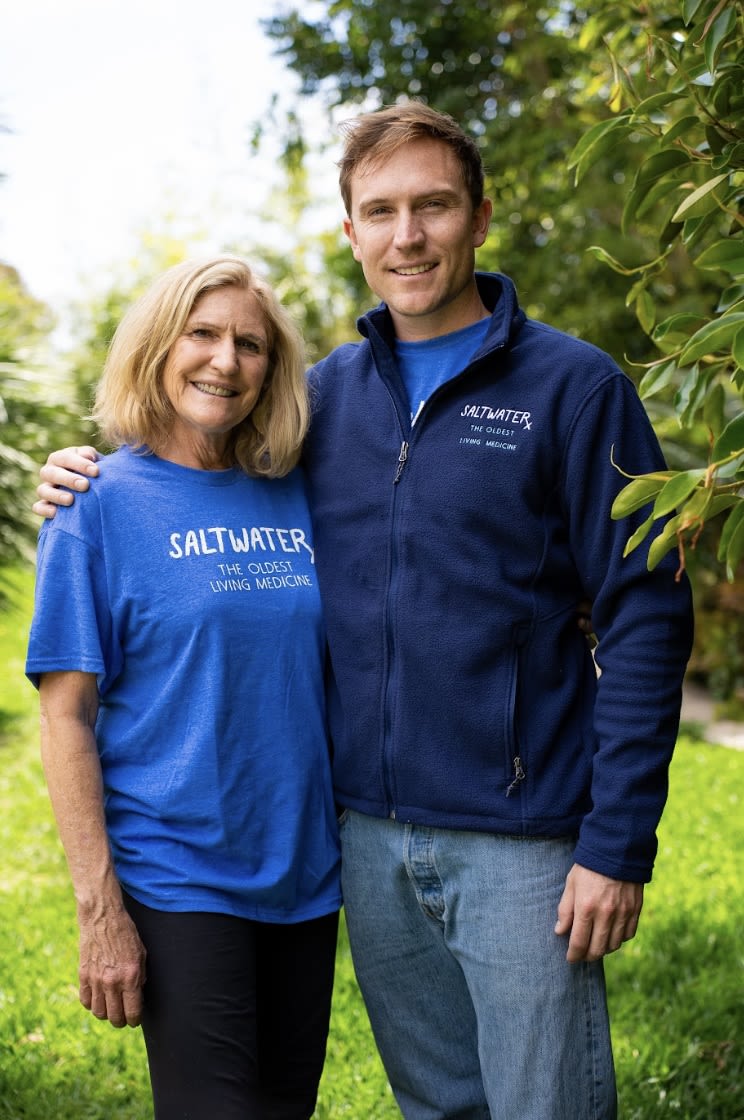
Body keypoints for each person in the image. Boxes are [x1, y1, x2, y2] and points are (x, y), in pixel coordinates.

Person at [35, 103, 694, 1120]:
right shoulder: (323, 403)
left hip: (521, 838)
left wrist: (618, 842)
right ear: (350, 232)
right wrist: (78, 470)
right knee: (436, 1106)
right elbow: (183, 465)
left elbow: (647, 614)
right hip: (367, 844)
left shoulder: (575, 388)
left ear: (479, 215)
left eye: (432, 205)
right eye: (380, 211)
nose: (407, 235)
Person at [26, 256, 342, 1120]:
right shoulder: (94, 505)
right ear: (158, 347)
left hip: (306, 876)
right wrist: (101, 912)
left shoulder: (298, 495)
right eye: (202, 334)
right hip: (179, 876)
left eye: (250, 344)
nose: (226, 361)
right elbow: (65, 718)